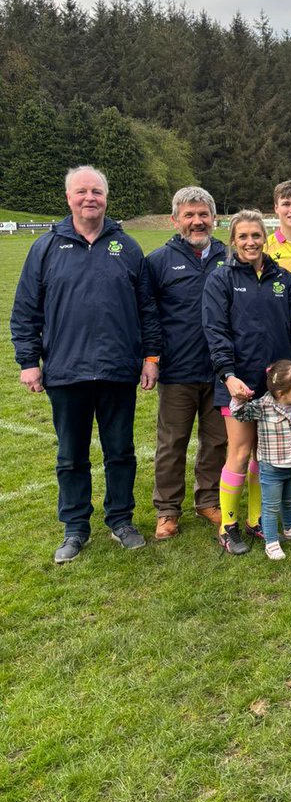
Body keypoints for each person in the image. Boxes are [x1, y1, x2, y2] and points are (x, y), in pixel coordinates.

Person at [11, 165, 162, 563]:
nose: (89, 197)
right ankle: (76, 527)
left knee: (120, 451)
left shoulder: (127, 247)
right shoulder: (45, 248)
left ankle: (121, 519)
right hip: (66, 370)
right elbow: (26, 309)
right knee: (71, 455)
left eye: (96, 191)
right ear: (69, 198)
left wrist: (150, 358)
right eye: (82, 192)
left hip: (117, 370)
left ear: (106, 198)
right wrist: (29, 362)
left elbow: (148, 309)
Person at [202, 210, 291, 555]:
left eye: (256, 235)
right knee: (240, 453)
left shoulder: (282, 280)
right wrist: (228, 375)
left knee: (265, 455)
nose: (250, 242)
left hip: (277, 386)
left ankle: (258, 520)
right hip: (237, 383)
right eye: (243, 237)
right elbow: (215, 332)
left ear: (265, 237)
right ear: (233, 241)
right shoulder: (221, 279)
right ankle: (228, 526)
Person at [146, 186, 228, 540]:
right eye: (189, 215)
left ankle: (209, 500)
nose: (197, 222)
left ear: (214, 218)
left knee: (217, 441)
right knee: (172, 443)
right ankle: (167, 509)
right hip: (178, 370)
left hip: (222, 370)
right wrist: (151, 357)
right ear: (175, 219)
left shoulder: (231, 255)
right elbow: (148, 316)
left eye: (203, 215)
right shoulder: (158, 261)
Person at [229, 360, 291, 558]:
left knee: (289, 501)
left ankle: (290, 528)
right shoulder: (263, 406)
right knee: (270, 507)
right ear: (281, 394)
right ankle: (271, 542)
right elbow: (239, 414)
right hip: (272, 467)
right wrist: (240, 400)